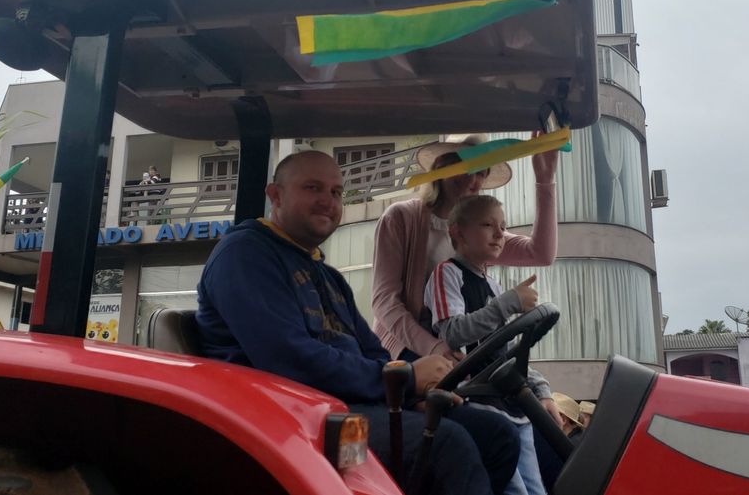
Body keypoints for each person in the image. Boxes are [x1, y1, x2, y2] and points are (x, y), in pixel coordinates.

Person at [196, 151, 519, 495]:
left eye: (336, 192)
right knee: (448, 444)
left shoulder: (328, 276)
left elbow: (372, 350)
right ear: (275, 195)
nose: (328, 201)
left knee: (497, 435)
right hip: (291, 419)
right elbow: (289, 358)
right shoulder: (246, 254)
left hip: (347, 406)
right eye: (312, 188)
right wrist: (407, 379)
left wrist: (408, 395)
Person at [372, 133, 558, 364]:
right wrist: (433, 347)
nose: (472, 179)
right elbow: (384, 301)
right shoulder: (400, 218)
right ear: (441, 168)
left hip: (461, 350)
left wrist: (545, 179)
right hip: (404, 352)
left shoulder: (480, 234)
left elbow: (541, 254)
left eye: (481, 172)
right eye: (465, 166)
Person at [424, 194, 556, 495]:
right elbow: (453, 333)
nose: (499, 234)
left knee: (535, 489)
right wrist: (508, 303)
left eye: (503, 227)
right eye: (487, 225)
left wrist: (541, 390)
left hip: (508, 401)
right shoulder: (448, 273)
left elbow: (505, 354)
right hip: (474, 398)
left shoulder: (494, 287)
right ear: (458, 233)